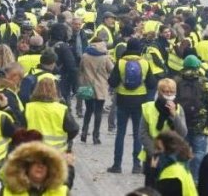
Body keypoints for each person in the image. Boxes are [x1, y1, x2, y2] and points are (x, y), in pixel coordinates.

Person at [107, 38, 156, 174]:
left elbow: (112, 82)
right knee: (137, 134)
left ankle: (117, 165)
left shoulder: (121, 62)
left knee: (120, 133)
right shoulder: (145, 63)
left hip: (123, 101)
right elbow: (152, 84)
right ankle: (136, 165)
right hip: (140, 101)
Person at [174, 55, 208, 182]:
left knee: (182, 151)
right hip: (200, 122)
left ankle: (183, 178)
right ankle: (196, 179)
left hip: (181, 122)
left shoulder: (176, 81)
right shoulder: (205, 82)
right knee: (199, 152)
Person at [140, 78, 188, 187]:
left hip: (172, 154)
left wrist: (174, 114)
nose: (169, 95)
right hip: (153, 154)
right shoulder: (149, 108)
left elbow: (183, 132)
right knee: (151, 186)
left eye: (172, 92)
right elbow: (143, 134)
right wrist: (155, 152)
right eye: (166, 92)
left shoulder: (178, 109)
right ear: (160, 92)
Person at [25, 78, 79, 152]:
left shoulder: (28, 107)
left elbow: (20, 128)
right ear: (54, 90)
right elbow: (74, 129)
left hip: (34, 150)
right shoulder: (61, 109)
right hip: (56, 152)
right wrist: (66, 140)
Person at [78, 37, 114, 144]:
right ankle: (95, 136)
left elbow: (81, 69)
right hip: (101, 87)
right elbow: (112, 69)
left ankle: (84, 132)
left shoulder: (85, 56)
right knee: (98, 111)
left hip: (87, 86)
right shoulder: (105, 57)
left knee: (88, 110)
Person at [0, 141, 69, 196]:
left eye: (45, 163)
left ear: (51, 170)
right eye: (36, 161)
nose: (40, 166)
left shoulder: (62, 193)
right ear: (26, 166)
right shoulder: (7, 192)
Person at [152, 130, 196, 196]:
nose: (155, 152)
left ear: (169, 149)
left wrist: (153, 171)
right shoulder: (182, 166)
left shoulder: (171, 174)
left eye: (159, 149)